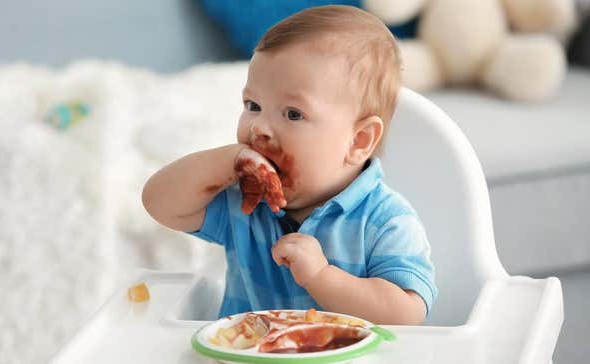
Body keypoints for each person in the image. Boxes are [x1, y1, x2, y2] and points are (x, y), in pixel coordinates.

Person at [142, 5, 436, 325]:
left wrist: (321, 277)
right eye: (253, 105)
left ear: (359, 141)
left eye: (293, 114)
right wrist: (227, 162)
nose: (259, 128)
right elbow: (160, 204)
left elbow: (406, 316)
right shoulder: (246, 204)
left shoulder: (385, 220)